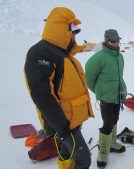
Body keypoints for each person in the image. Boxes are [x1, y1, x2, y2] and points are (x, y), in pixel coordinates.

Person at [24, 7, 95, 169]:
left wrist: (97, 46)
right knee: (84, 160)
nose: (75, 35)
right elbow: (41, 95)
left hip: (72, 117)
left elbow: (78, 48)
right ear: (63, 29)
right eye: (73, 31)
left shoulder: (62, 51)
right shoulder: (40, 53)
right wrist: (61, 127)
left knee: (65, 152)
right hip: (62, 121)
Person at [85, 29, 127, 169]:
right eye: (112, 41)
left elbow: (120, 77)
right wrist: (99, 92)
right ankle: (103, 152)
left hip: (117, 96)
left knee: (115, 120)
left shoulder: (119, 57)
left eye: (117, 40)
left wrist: (123, 90)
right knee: (108, 124)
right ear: (107, 41)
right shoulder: (99, 57)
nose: (116, 43)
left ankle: (112, 143)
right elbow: (89, 78)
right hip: (106, 98)